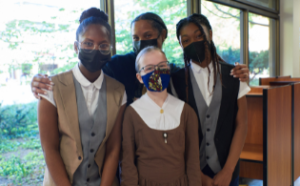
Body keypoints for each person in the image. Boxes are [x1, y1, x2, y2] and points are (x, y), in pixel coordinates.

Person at [30, 11, 250, 104]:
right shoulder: (117, 65)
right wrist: (43, 83)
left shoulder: (172, 72)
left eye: (147, 36)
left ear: (162, 36)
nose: (140, 42)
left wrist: (235, 72)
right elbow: (86, 74)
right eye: (135, 37)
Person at [38, 8, 126, 186]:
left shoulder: (118, 91)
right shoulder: (52, 88)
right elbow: (50, 149)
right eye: (88, 43)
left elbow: (113, 148)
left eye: (103, 45)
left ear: (110, 48)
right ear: (76, 47)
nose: (95, 49)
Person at [171, 14, 249, 186]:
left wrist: (228, 171)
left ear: (210, 35)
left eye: (199, 36)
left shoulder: (234, 74)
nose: (194, 42)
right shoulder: (175, 80)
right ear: (180, 44)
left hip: (228, 170)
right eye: (186, 40)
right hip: (191, 173)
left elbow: (241, 124)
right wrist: (196, 174)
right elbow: (176, 134)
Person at [121, 46, 202, 186]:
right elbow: (127, 163)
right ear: (140, 77)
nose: (156, 72)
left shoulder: (186, 112)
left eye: (161, 66)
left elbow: (193, 162)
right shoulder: (132, 113)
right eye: (149, 68)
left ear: (168, 69)